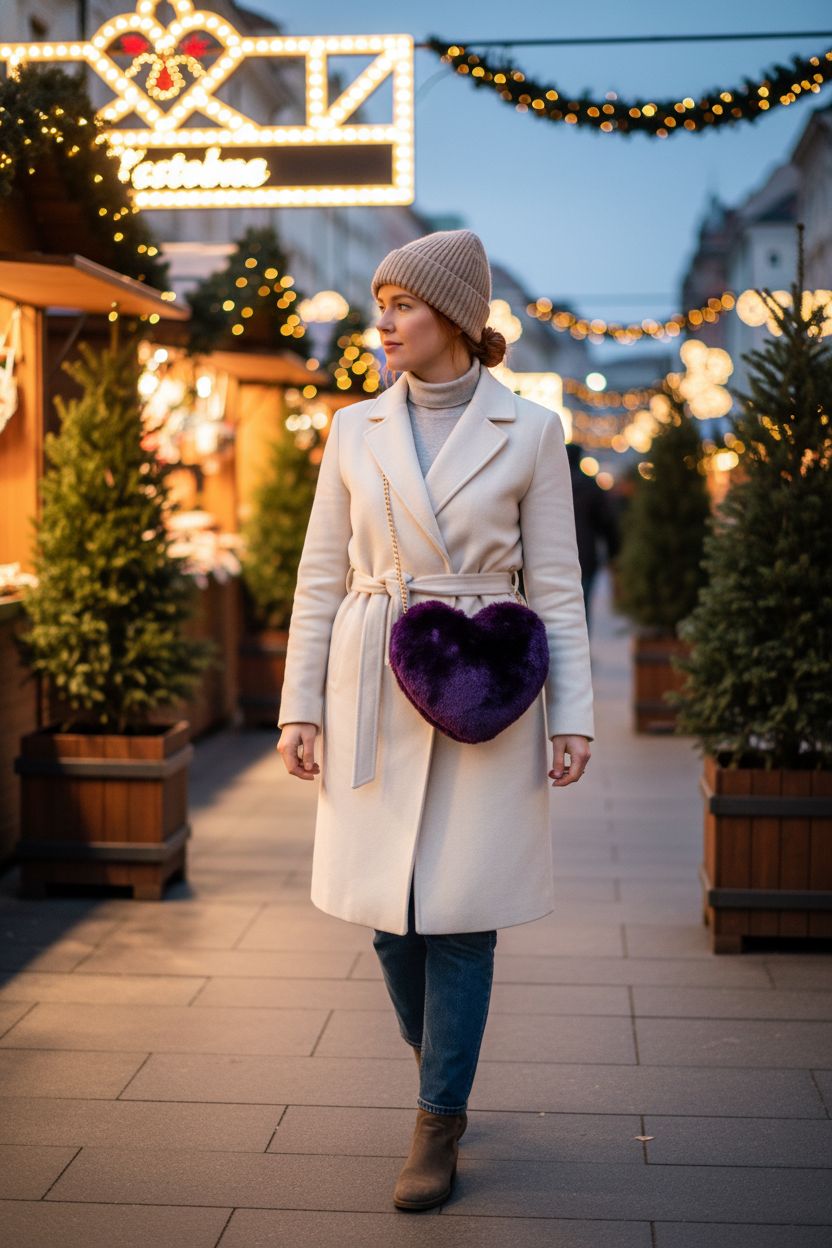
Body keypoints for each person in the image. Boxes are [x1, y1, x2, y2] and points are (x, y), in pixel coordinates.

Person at [276, 229, 594, 1211]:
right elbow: (320, 577)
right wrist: (298, 705)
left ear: (454, 317)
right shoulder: (351, 429)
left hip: (487, 682)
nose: (382, 322)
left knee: (460, 916)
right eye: (379, 302)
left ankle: (436, 1117)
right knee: (388, 921)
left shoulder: (530, 430)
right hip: (374, 679)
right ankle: (439, 1064)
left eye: (400, 304)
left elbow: (556, 585)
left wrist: (569, 717)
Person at [564, 440, 621, 633]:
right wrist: (614, 551)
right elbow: (606, 522)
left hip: (556, 556)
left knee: (556, 605)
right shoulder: (591, 486)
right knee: (582, 605)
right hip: (586, 556)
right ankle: (582, 651)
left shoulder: (552, 484)